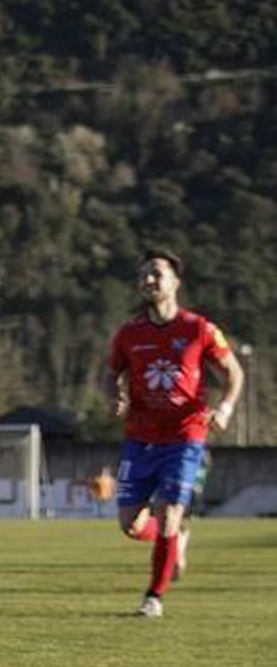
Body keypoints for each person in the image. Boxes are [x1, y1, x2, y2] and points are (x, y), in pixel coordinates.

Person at [103, 248, 243, 617]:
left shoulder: (199, 329)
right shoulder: (129, 334)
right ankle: (176, 539)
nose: (149, 280)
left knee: (167, 515)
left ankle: (153, 598)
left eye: (157, 273)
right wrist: (114, 396)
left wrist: (225, 409)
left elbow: (234, 373)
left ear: (176, 282)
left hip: (186, 436)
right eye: (143, 275)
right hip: (140, 438)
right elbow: (111, 373)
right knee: (131, 525)